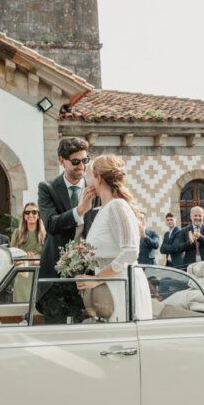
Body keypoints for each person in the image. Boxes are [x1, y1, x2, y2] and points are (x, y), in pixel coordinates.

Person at [78, 154, 151, 320]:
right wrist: (83, 208)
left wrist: (97, 279)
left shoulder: (118, 206)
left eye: (91, 176)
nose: (89, 181)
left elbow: (130, 251)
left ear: (99, 178)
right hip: (107, 291)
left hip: (122, 287)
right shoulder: (102, 210)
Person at [38, 137, 98, 277]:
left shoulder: (95, 188)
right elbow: (52, 225)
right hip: (56, 268)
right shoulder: (47, 188)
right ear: (61, 161)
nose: (81, 166)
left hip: (89, 269)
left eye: (85, 160)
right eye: (75, 161)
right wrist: (80, 210)